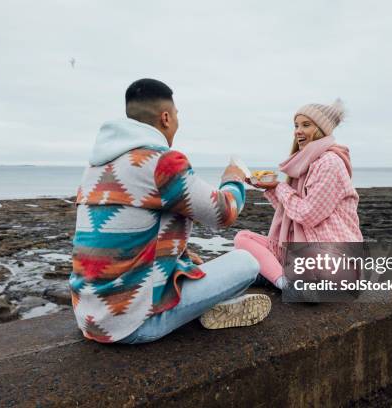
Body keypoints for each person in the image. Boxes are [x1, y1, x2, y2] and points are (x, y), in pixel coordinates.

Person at [70, 78, 271, 344]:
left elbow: (129, 228)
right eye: (176, 116)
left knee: (192, 264)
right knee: (246, 262)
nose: (176, 122)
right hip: (132, 325)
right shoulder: (160, 162)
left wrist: (177, 254)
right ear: (166, 117)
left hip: (89, 317)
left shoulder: (95, 167)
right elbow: (223, 213)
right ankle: (202, 310)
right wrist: (233, 179)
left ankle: (202, 305)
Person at [234, 100, 363, 289]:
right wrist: (269, 187)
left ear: (321, 129)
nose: (297, 131)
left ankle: (276, 277)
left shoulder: (329, 163)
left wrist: (279, 187)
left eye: (306, 125)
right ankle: (282, 281)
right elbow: (292, 212)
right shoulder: (306, 163)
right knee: (242, 238)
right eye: (296, 125)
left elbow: (307, 215)